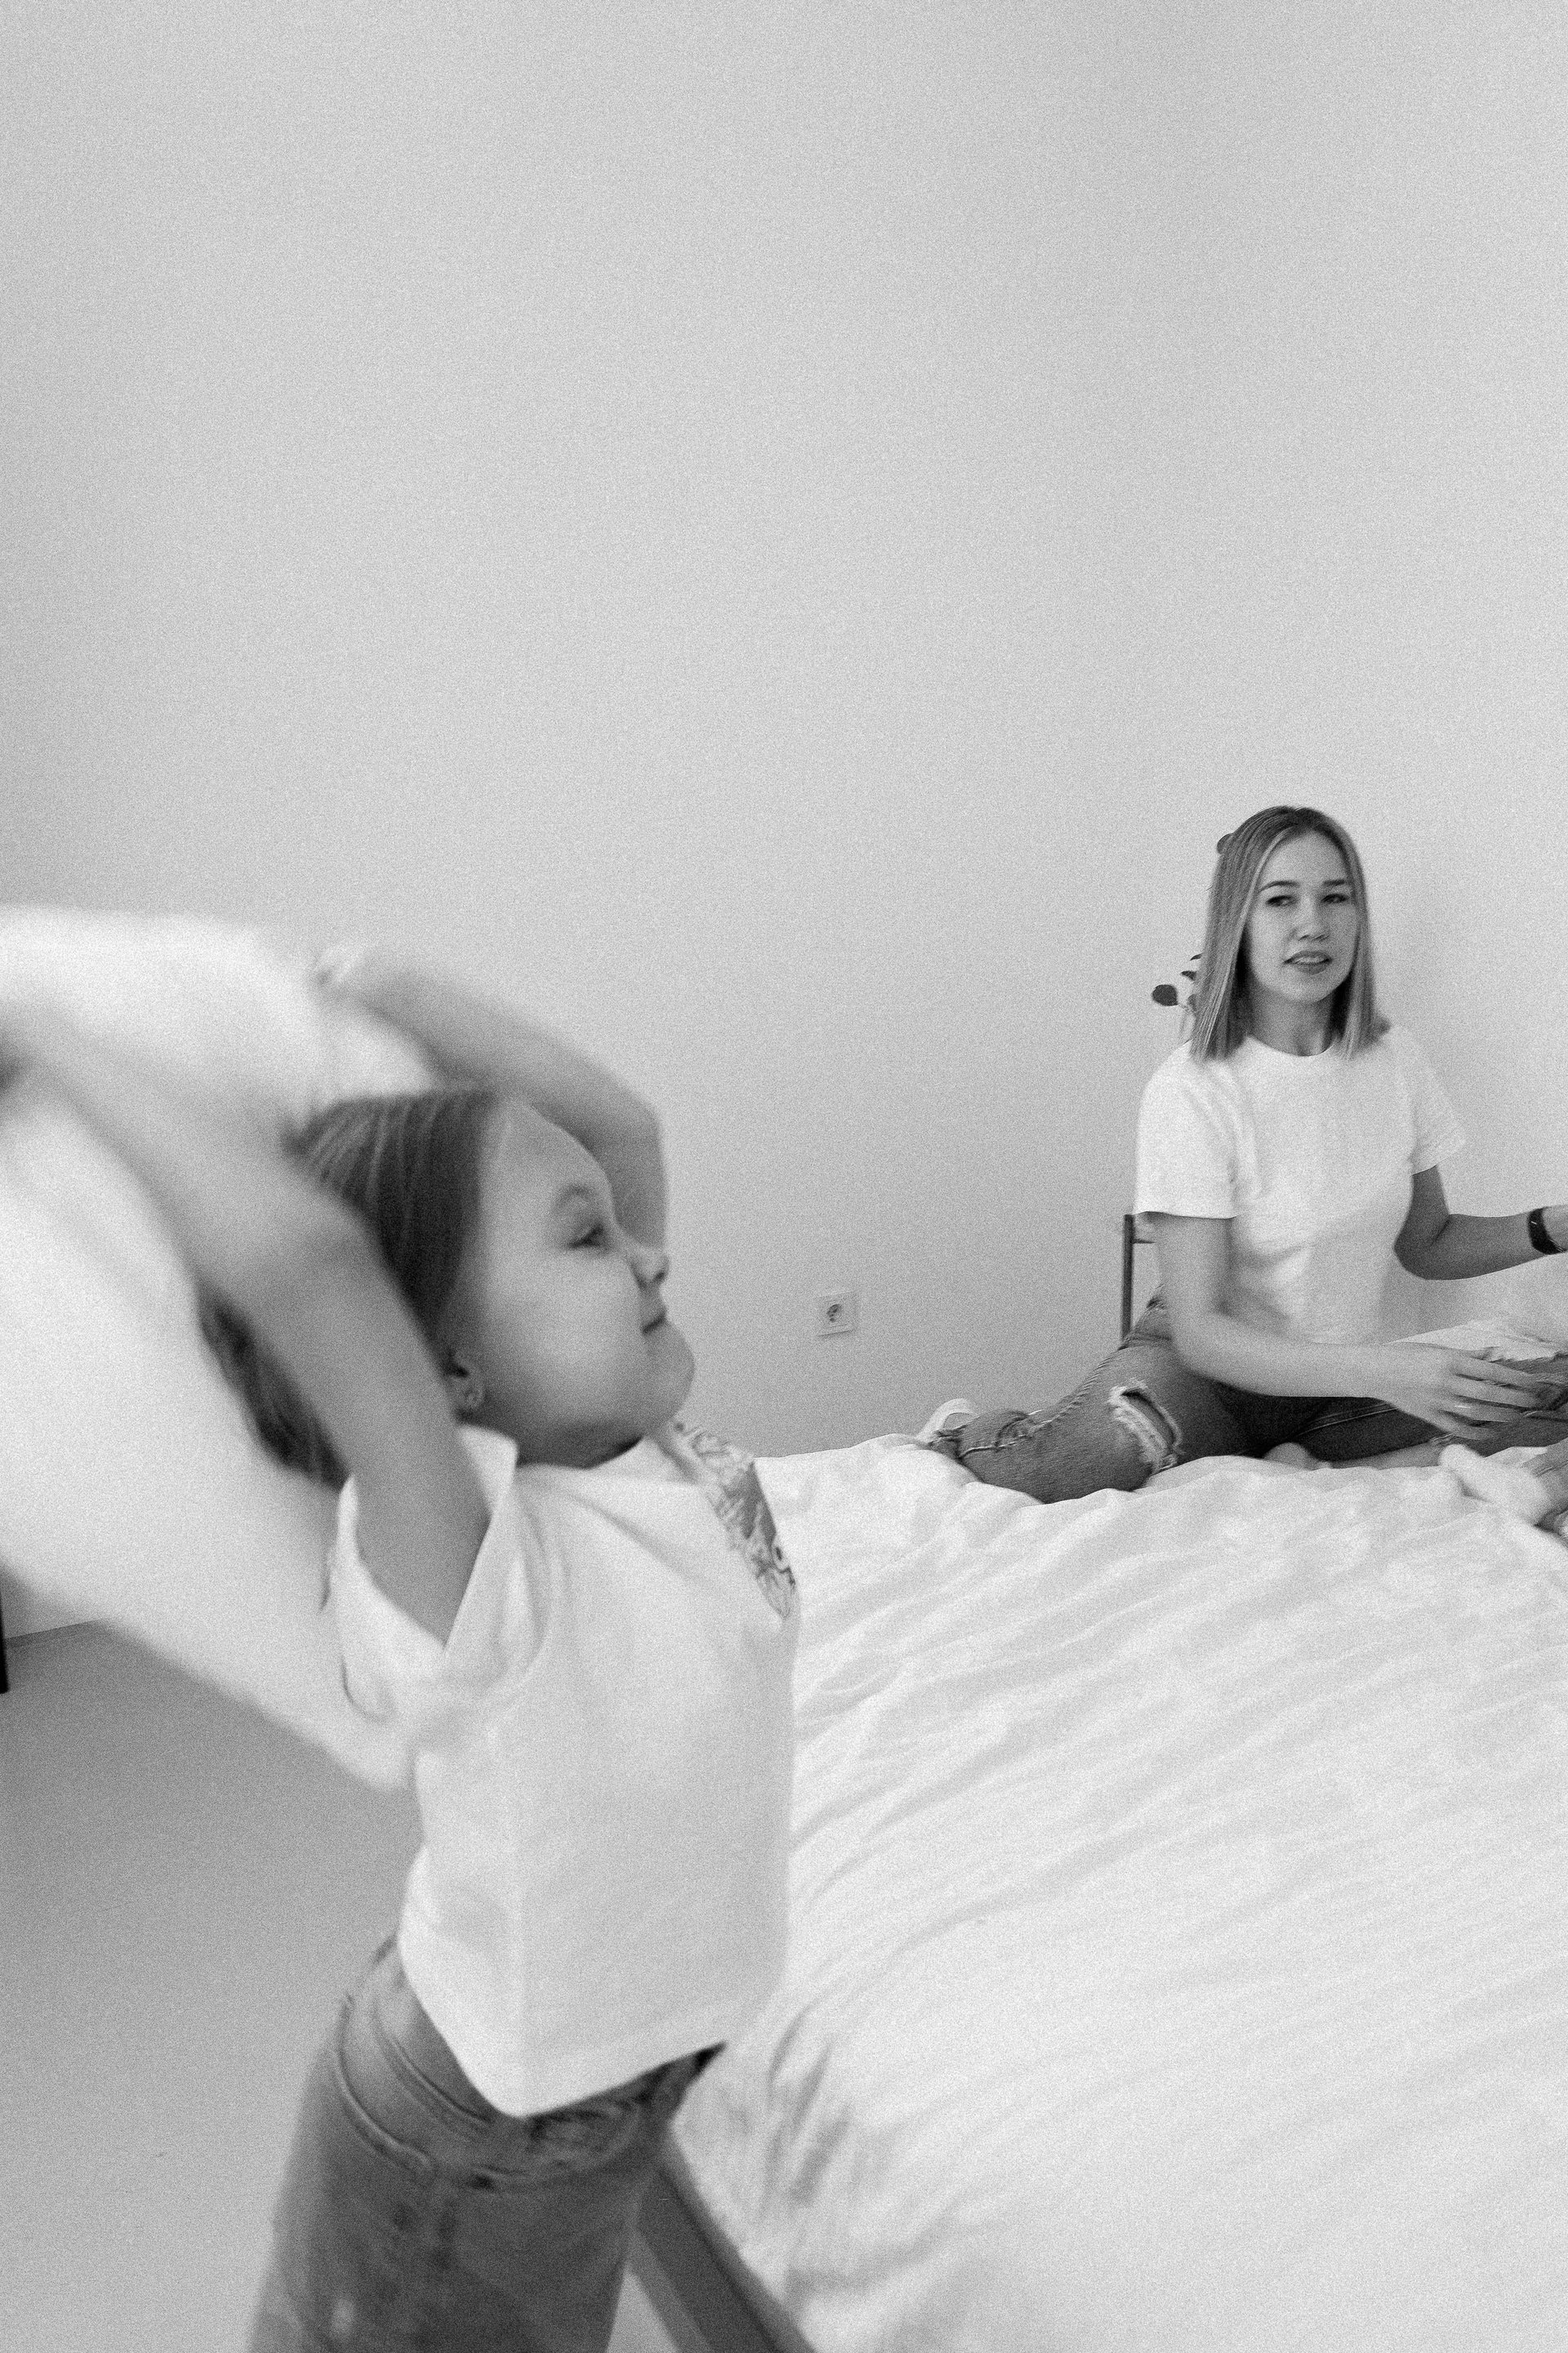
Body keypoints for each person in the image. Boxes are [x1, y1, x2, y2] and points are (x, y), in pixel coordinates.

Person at [1, 955, 797, 2353]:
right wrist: (44, 1028)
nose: (652, 1255)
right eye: (587, 1240)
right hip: (474, 2141)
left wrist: (386, 989)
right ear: (445, 1374)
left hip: (602, 2094)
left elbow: (625, 1128)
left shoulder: (633, 1446)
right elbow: (309, 1272)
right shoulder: (472, 1559)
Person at [929, 805, 1568, 1504]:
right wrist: (1385, 1370)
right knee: (1114, 1441)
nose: (1312, 924)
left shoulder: (1394, 1061)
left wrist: (1554, 1226)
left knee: (1547, 1397)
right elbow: (1202, 1334)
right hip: (1207, 1380)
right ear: (1238, 920)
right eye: (1280, 900)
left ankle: (1317, 1461)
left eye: (1335, 898)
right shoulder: (1194, 1087)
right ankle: (965, 1433)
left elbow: (1431, 1241)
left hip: (1331, 1390)